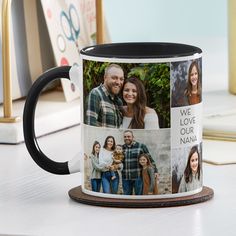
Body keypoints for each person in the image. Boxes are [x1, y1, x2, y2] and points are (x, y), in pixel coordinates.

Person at [85, 64, 124, 128]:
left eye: (121, 79)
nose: (118, 82)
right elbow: (90, 129)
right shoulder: (96, 94)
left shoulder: (119, 102)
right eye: (114, 78)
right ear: (105, 77)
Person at [122, 130, 158, 195]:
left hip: (138, 177)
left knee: (139, 198)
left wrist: (155, 171)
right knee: (126, 198)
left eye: (128, 136)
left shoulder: (141, 146)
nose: (126, 138)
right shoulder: (122, 148)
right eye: (125, 137)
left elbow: (150, 159)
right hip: (126, 178)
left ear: (133, 137)